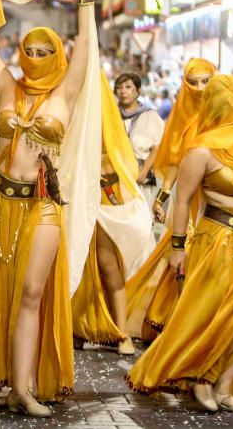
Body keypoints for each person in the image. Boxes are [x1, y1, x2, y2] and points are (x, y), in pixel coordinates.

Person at [126, 74, 233, 413]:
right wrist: (177, 249)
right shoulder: (202, 148)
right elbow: (183, 201)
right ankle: (204, 375)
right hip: (219, 239)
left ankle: (222, 386)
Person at [0, 0, 95, 416]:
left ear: (58, 55)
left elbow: (88, 44)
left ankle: (23, 388)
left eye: (46, 51)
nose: (37, 57)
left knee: (30, 292)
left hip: (42, 203)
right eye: (29, 49)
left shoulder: (67, 90)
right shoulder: (6, 85)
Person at [124, 59, 216, 342]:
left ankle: (203, 328)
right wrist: (161, 198)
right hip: (188, 202)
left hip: (219, 202)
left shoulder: (223, 115)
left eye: (205, 81)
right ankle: (181, 327)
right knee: (182, 260)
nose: (199, 88)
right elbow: (175, 162)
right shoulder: (182, 119)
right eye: (193, 81)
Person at [71, 71, 155, 357]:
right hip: (74, 201)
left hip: (105, 201)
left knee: (108, 266)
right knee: (76, 267)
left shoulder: (110, 124)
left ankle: (121, 333)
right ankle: (79, 328)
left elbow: (123, 164)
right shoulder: (70, 117)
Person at [115, 73, 165, 204]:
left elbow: (157, 147)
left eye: (128, 87)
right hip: (115, 179)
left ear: (138, 91)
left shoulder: (150, 116)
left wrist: (144, 172)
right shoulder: (111, 115)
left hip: (141, 180)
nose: (123, 91)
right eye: (119, 87)